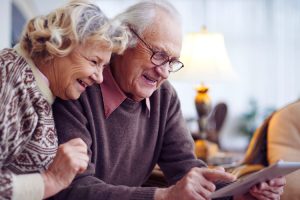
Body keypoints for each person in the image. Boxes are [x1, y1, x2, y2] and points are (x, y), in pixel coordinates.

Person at [52, 1, 285, 200]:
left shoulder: (164, 96)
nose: (164, 72)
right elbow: (73, 189)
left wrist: (238, 193)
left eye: (171, 62)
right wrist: (162, 196)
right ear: (124, 38)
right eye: (159, 55)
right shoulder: (78, 87)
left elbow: (184, 167)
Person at [0, 0, 128, 199]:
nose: (99, 77)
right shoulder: (12, 82)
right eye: (94, 62)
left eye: (103, 66)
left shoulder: (38, 85)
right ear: (60, 43)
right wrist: (51, 180)